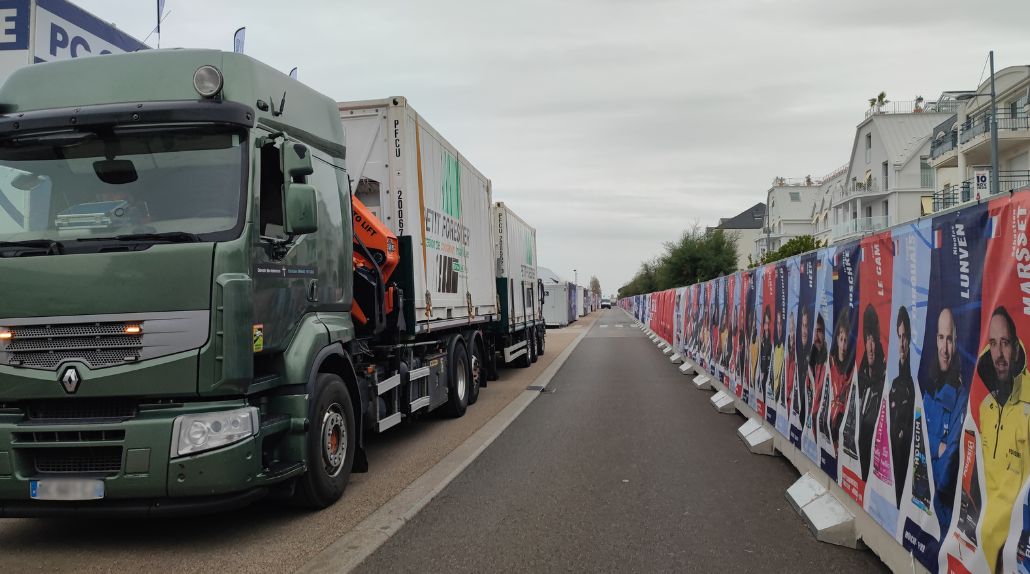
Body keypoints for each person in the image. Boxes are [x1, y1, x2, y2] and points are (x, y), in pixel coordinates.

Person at [975, 306, 1030, 573]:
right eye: (993, 344)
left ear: (1016, 349)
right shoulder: (985, 408)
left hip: (1015, 551)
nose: (998, 354)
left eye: (1005, 343)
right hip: (984, 543)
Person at [921, 307, 967, 538]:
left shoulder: (961, 397)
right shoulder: (927, 387)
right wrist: (936, 445)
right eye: (941, 337)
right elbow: (913, 440)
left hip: (942, 523)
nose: (944, 348)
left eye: (950, 339)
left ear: (957, 343)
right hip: (919, 510)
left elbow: (947, 473)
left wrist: (929, 447)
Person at [889, 306, 915, 508]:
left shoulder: (915, 383)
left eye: (905, 336)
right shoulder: (895, 383)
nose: (902, 343)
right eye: (899, 336)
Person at [857, 304, 887, 481]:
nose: (870, 346)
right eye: (867, 339)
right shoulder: (859, 376)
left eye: (873, 339)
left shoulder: (884, 379)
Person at [828, 308, 854, 448]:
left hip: (842, 416)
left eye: (846, 341)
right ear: (837, 339)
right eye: (842, 340)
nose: (843, 345)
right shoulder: (830, 363)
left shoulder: (851, 370)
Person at [807, 313, 828, 441]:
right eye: (814, 331)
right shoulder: (811, 360)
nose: (816, 336)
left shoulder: (828, 362)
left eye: (819, 331)